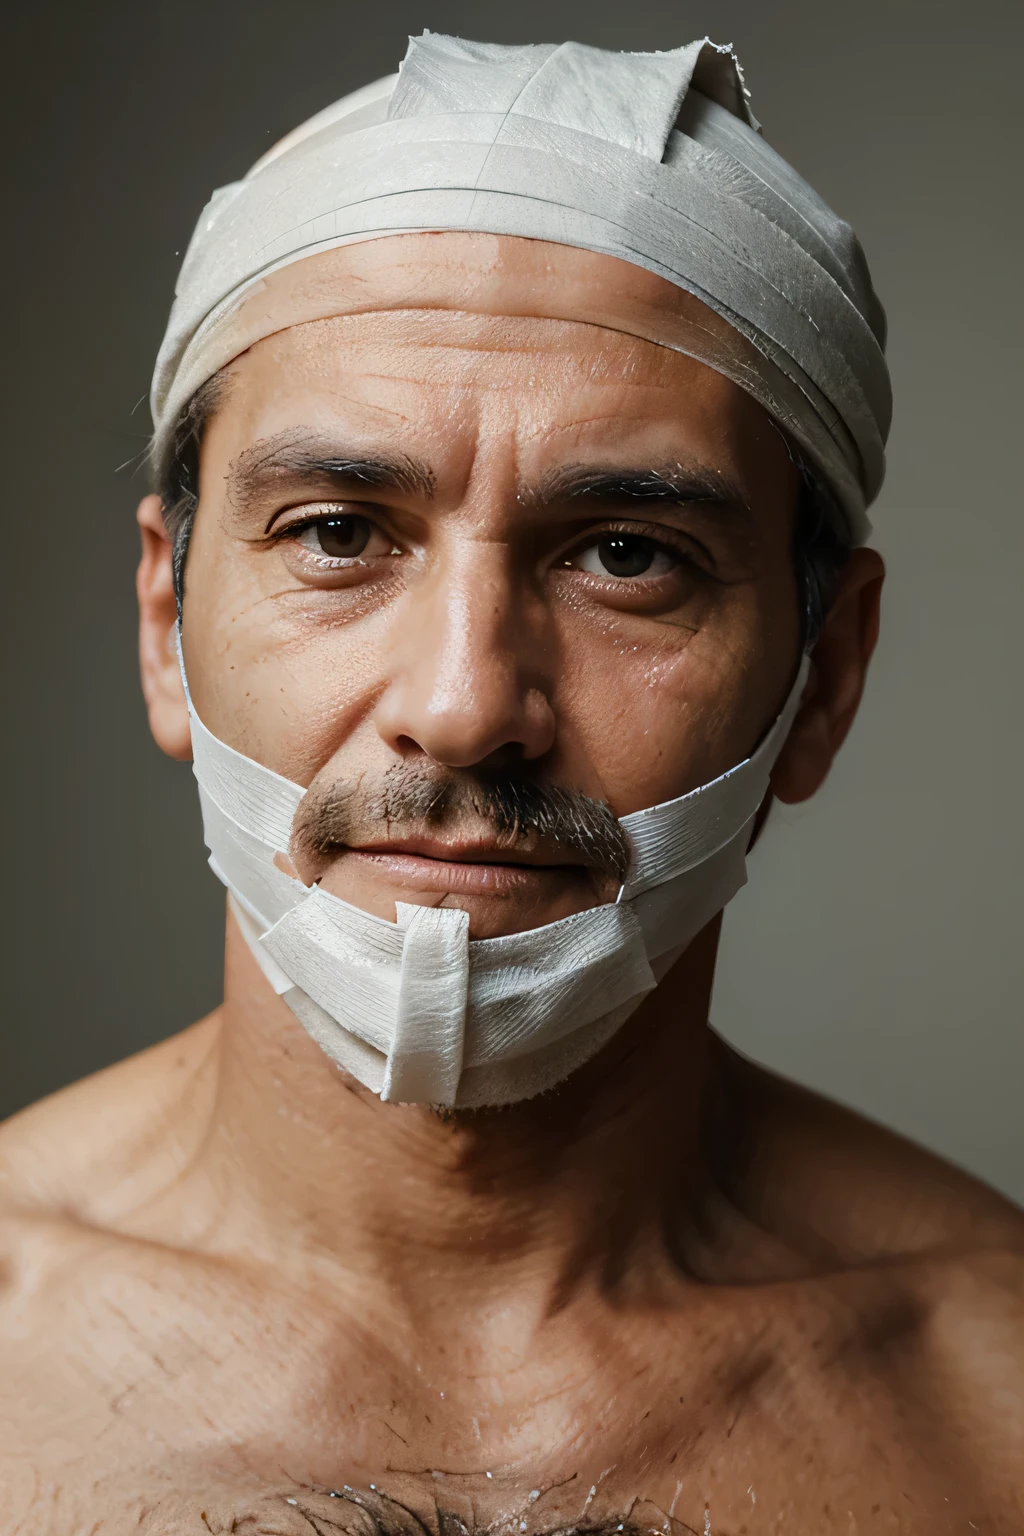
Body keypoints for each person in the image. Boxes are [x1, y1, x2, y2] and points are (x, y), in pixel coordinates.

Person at [1, 33, 1020, 1536]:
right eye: (340, 533)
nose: (468, 706)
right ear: (168, 622)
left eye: (627, 557)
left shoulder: (993, 1402)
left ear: (828, 672)